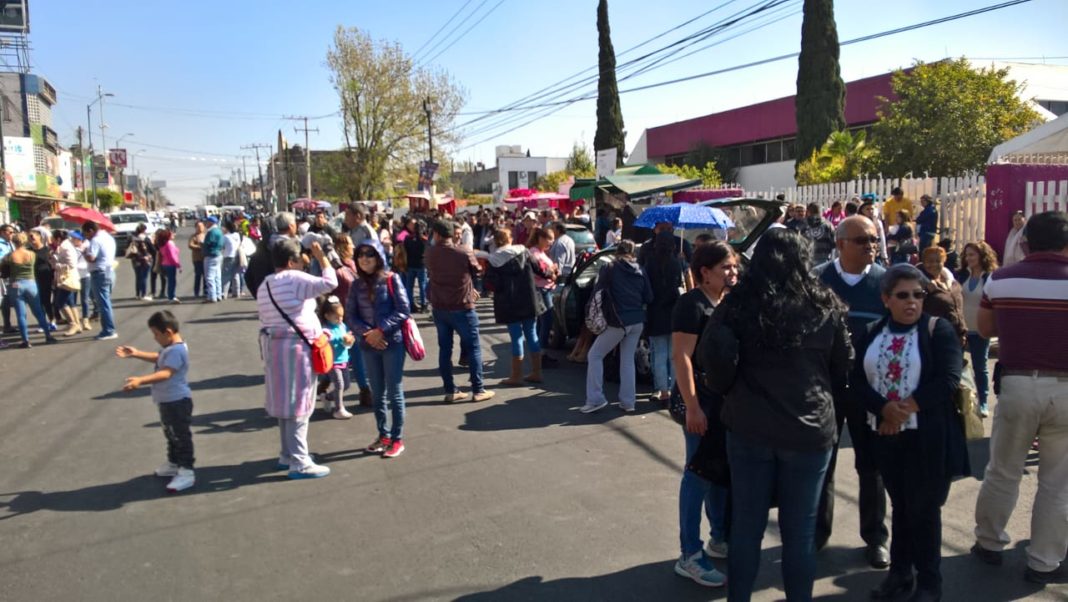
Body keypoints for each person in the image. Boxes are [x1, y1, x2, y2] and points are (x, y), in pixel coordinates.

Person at [712, 228, 852, 602]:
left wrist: (728, 390)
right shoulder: (826, 305)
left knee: (746, 527)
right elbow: (843, 366)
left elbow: (714, 359)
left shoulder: (738, 304)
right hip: (809, 429)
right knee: (800, 532)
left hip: (749, 426)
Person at [855, 265, 968, 602]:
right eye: (902, 295)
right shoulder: (873, 331)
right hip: (886, 437)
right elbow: (857, 381)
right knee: (901, 506)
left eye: (918, 295)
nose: (912, 302)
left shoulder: (938, 330)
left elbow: (947, 379)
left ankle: (930, 582)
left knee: (924, 509)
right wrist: (882, 409)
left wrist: (901, 410)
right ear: (886, 299)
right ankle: (900, 574)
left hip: (927, 438)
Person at [971, 211, 1068, 586]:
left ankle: (989, 542)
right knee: (1057, 483)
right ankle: (1044, 561)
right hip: (1065, 390)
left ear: (1025, 242)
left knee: (1003, 470)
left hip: (1017, 386)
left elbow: (984, 328)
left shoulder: (1001, 279)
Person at [815, 216, 890, 568]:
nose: (871, 246)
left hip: (870, 391)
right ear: (841, 243)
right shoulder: (818, 280)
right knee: (821, 464)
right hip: (825, 390)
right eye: (863, 240)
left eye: (874, 240)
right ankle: (816, 534)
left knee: (872, 466)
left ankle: (875, 537)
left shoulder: (884, 282)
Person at [671, 241, 737, 588]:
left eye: (734, 266)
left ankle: (720, 536)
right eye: (726, 267)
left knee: (717, 472)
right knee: (696, 474)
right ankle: (689, 554)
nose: (733, 272)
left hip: (723, 405)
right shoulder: (691, 304)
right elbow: (681, 357)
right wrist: (693, 406)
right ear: (705, 273)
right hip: (699, 404)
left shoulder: (725, 302)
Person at [256, 238, 336, 479]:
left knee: (284, 404)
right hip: (296, 349)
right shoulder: (294, 278)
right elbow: (330, 283)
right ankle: (300, 460)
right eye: (301, 257)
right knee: (300, 404)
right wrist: (322, 257)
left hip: (274, 347)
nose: (304, 260)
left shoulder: (265, 284)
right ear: (291, 261)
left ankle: (287, 454)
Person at [115, 310, 196, 493]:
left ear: (168, 332)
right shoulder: (171, 348)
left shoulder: (177, 350)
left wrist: (140, 380)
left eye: (156, 334)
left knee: (181, 437)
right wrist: (136, 353)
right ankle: (174, 463)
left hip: (177, 402)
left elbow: (166, 372)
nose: (155, 338)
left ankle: (186, 471)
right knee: (171, 434)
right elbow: (159, 357)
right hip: (167, 401)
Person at [346, 239, 411, 458]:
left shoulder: (392, 279)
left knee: (394, 392)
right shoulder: (356, 285)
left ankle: (397, 439)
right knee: (377, 394)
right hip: (368, 345)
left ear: (379, 257)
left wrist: (380, 330)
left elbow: (403, 310)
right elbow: (350, 315)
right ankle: (383, 435)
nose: (364, 259)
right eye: (360, 255)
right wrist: (368, 334)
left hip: (392, 343)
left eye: (369, 254)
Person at [426, 219, 495, 403]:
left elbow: (430, 273)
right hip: (462, 305)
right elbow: (477, 271)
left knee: (445, 350)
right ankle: (478, 389)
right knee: (473, 348)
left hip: (440, 307)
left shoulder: (431, 252)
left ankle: (450, 390)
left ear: (437, 235)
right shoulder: (463, 251)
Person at [581, 239, 652, 414]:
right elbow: (649, 297)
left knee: (595, 355)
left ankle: (595, 398)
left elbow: (597, 291)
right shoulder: (641, 270)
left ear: (617, 252)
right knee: (627, 360)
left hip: (617, 320)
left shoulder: (610, 268)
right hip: (637, 321)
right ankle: (628, 402)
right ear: (633, 252)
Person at [484, 228, 545, 386]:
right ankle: (536, 372)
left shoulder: (493, 259)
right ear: (510, 238)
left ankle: (516, 376)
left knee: (516, 337)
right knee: (532, 335)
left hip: (508, 303)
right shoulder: (524, 251)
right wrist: (551, 274)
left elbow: (492, 284)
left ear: (496, 241)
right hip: (528, 299)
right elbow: (539, 269)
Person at [956, 241, 998, 417]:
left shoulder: (989, 277)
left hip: (980, 329)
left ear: (982, 256)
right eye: (966, 255)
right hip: (961, 328)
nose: (969, 258)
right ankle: (960, 402)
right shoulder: (961, 275)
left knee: (980, 367)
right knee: (957, 366)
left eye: (972, 254)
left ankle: (982, 402)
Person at [644, 230, 686, 403]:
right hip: (673, 312)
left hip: (655, 311)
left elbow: (646, 289)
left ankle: (663, 390)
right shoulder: (676, 264)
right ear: (673, 246)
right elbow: (679, 287)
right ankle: (675, 388)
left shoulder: (649, 263)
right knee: (673, 355)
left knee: (659, 354)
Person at [0, 232, 58, 347]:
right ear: (25, 241)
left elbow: (3, 272)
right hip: (31, 284)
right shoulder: (32, 254)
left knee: (21, 314)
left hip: (15, 285)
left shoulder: (9, 256)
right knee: (39, 312)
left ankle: (26, 341)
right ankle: (48, 336)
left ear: (13, 242)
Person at [318, 295, 356, 420]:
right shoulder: (325, 329)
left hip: (344, 359)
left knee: (346, 385)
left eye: (341, 316)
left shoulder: (342, 325)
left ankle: (327, 397)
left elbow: (347, 335)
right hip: (332, 361)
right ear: (327, 316)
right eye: (336, 317)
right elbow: (327, 339)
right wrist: (341, 339)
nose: (340, 319)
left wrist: (350, 339)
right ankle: (339, 409)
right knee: (339, 384)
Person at [919, 246, 967, 342]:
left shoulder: (953, 282)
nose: (934, 264)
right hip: (934, 337)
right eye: (930, 261)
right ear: (923, 263)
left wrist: (962, 331)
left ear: (943, 262)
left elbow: (958, 309)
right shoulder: (920, 284)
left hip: (957, 335)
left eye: (938, 261)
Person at [82, 221, 118, 341]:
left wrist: (84, 253)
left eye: (85, 233)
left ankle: (108, 330)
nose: (85, 236)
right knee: (105, 301)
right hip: (109, 270)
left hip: (100, 273)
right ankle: (107, 329)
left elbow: (92, 257)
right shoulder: (108, 237)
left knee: (103, 303)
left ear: (91, 230)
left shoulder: (95, 240)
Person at [527, 227, 558, 358]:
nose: (551, 243)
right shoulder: (534, 253)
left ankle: (540, 351)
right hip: (541, 290)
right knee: (547, 320)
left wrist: (552, 271)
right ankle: (541, 351)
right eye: (549, 240)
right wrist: (551, 272)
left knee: (542, 321)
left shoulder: (541, 252)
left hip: (546, 288)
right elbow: (539, 272)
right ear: (541, 238)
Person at [51, 229, 84, 337]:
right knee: (70, 302)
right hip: (66, 277)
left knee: (60, 302)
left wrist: (55, 263)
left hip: (68, 278)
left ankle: (72, 323)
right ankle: (77, 324)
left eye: (54, 239)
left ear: (58, 239)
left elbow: (71, 264)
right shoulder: (66, 245)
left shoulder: (65, 247)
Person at [28, 229, 56, 330]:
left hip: (46, 277)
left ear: (40, 237)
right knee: (38, 302)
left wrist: (54, 278)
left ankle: (52, 321)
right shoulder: (29, 251)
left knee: (46, 300)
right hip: (34, 278)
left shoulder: (47, 250)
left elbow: (53, 264)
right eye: (29, 237)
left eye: (33, 236)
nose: (31, 239)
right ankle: (42, 323)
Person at [402, 219, 428, 313]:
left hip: (410, 264)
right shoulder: (424, 240)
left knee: (409, 286)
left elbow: (405, 250)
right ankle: (423, 304)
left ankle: (410, 304)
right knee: (422, 285)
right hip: (421, 264)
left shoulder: (407, 238)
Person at [128, 224, 155, 301]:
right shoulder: (145, 239)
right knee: (144, 277)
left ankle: (137, 294)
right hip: (145, 259)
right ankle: (143, 294)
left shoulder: (132, 238)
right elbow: (153, 250)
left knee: (138, 277)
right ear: (143, 230)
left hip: (135, 260)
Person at [202, 216, 224, 303]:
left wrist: (202, 245)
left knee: (210, 277)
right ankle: (218, 295)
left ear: (211, 222)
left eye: (207, 222)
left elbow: (208, 243)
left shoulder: (211, 232)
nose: (205, 223)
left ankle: (212, 296)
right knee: (217, 276)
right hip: (218, 254)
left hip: (211, 255)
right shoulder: (219, 230)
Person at [860, 200, 889, 265]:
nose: (870, 211)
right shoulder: (858, 222)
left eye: (872, 209)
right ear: (862, 210)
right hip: (861, 253)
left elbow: (882, 239)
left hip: (875, 253)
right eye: (867, 209)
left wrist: (884, 256)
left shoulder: (877, 223)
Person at [157, 229, 181, 303]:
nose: (173, 235)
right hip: (170, 264)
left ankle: (171, 296)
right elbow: (172, 256)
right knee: (172, 281)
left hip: (165, 264)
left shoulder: (163, 244)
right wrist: (178, 264)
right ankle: (171, 296)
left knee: (171, 280)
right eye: (172, 234)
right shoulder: (169, 243)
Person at [221, 221, 241, 299]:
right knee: (235, 274)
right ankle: (236, 292)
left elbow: (222, 246)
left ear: (227, 228)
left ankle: (224, 293)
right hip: (237, 256)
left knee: (226, 275)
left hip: (228, 256)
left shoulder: (225, 237)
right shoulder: (237, 235)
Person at [188, 220, 206, 298]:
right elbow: (190, 245)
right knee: (198, 275)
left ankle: (206, 291)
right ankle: (196, 292)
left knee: (206, 276)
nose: (200, 228)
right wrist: (199, 247)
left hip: (206, 258)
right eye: (198, 226)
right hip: (197, 259)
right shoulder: (193, 236)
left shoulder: (206, 235)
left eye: (201, 226)